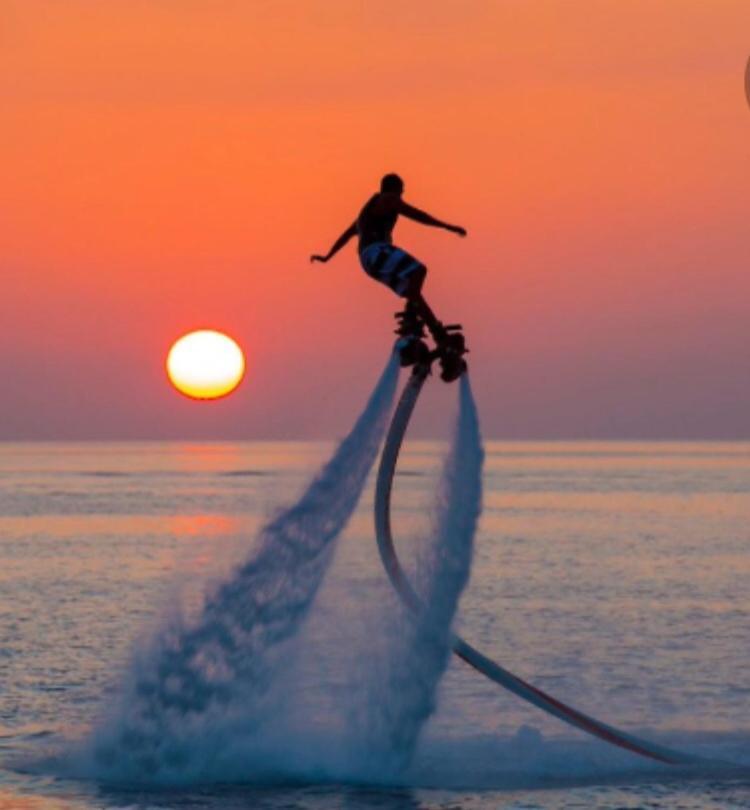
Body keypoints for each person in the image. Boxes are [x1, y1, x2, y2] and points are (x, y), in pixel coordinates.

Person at [310, 173, 466, 343]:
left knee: (413, 293)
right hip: (376, 251)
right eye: (401, 192)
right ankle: (412, 318)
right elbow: (416, 215)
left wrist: (327, 257)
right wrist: (447, 226)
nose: (401, 198)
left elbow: (346, 235)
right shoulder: (388, 198)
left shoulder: (367, 212)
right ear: (395, 189)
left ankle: (438, 334)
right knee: (419, 271)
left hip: (369, 262)